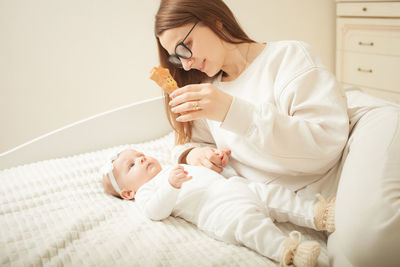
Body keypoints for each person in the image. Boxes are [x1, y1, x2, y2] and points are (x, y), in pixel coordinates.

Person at [154, 0, 349, 202]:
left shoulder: (289, 58)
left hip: (313, 202)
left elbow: (324, 147)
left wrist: (232, 112)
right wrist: (193, 154)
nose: (186, 66)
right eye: (177, 57)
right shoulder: (210, 87)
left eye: (185, 46)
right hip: (253, 205)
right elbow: (185, 142)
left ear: (214, 20)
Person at [101, 148, 336, 267]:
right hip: (217, 211)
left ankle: (317, 213)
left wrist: (218, 160)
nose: (141, 160)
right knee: (250, 225)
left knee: (274, 195)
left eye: (140, 155)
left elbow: (203, 171)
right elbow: (155, 211)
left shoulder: (169, 167)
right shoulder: (145, 192)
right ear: (128, 193)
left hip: (234, 187)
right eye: (131, 165)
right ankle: (289, 251)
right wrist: (171, 186)